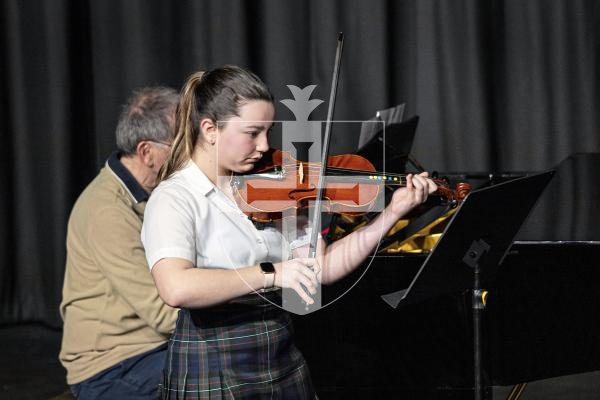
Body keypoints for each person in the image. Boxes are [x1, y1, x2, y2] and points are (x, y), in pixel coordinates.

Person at [141, 66, 437, 399]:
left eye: (268, 131)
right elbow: (176, 287)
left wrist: (391, 213)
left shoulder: (276, 187)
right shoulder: (175, 198)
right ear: (210, 129)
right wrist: (272, 273)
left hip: (279, 353)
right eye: (252, 133)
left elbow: (322, 267)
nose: (265, 146)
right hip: (213, 357)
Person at [59, 87, 181, 399]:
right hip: (111, 368)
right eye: (180, 144)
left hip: (151, 348)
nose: (189, 153)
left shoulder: (154, 193)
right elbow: (163, 312)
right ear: (146, 152)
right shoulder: (107, 211)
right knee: (222, 373)